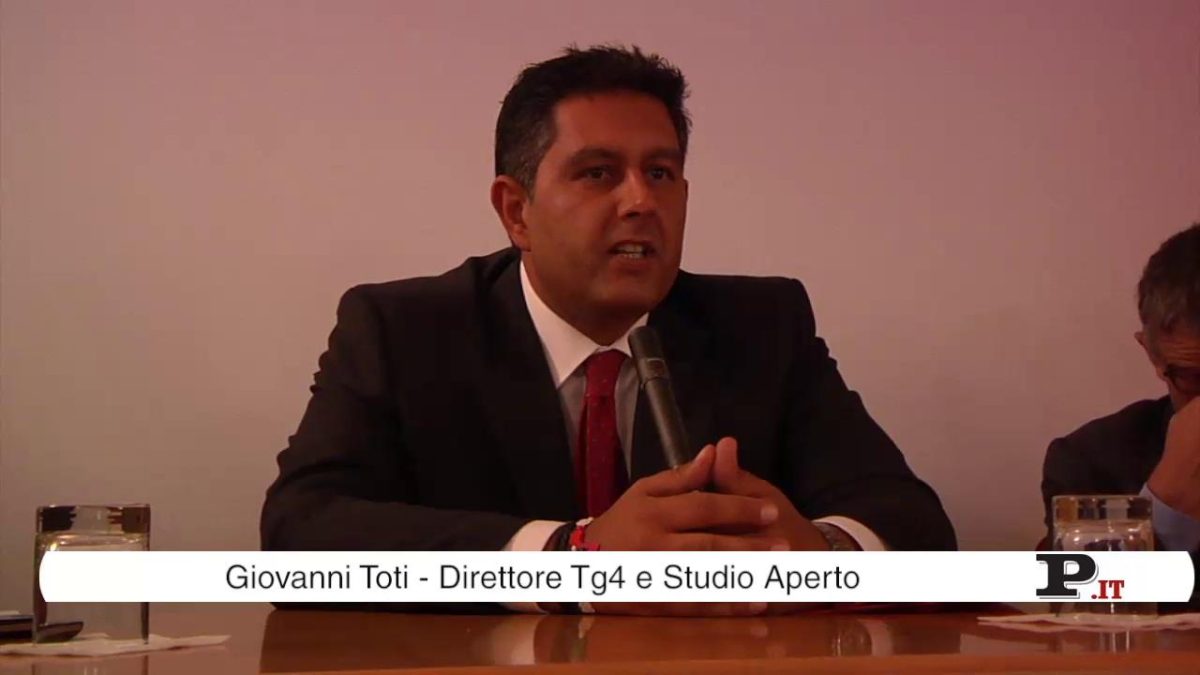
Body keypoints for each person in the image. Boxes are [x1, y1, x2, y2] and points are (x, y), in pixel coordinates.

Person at [261, 45, 956, 615]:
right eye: (598, 173)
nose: (641, 201)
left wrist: (819, 557)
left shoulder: (762, 326)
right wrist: (572, 559)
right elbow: (300, 538)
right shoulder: (403, 330)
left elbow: (914, 524)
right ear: (516, 211)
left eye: (661, 173)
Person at [1041, 223, 1200, 573]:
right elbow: (1077, 591)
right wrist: (1165, 508)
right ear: (1152, 353)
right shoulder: (1092, 462)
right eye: (1194, 377)